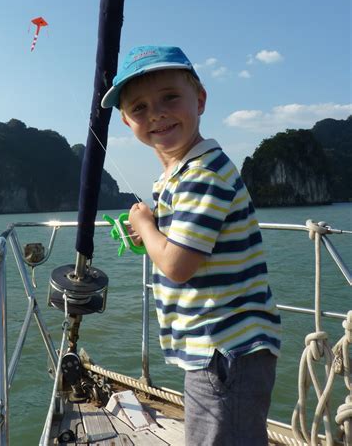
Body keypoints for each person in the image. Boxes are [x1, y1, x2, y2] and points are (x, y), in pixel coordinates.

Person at [101, 45, 281, 446]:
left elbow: (178, 265)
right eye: (140, 107)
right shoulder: (181, 174)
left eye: (169, 98)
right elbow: (186, 245)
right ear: (128, 121)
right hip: (220, 350)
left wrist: (145, 224)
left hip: (225, 351)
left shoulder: (203, 173)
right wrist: (149, 232)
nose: (157, 113)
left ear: (199, 100)